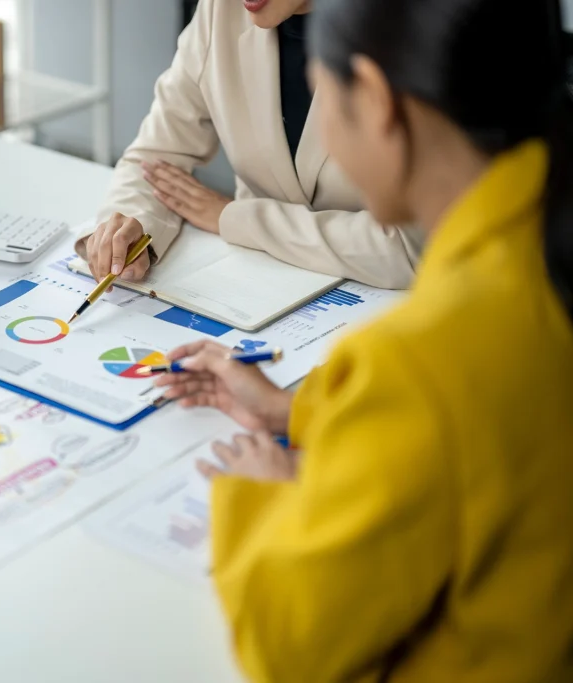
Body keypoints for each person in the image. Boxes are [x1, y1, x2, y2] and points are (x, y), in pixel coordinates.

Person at [156, 0, 573, 680]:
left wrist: (263, 493)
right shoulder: (536, 247)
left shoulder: (413, 360)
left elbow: (290, 644)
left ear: (375, 102)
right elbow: (475, 435)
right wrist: (299, 410)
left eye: (322, 93)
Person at [78, 0, 425, 289]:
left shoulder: (409, 27)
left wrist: (236, 219)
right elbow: (159, 155)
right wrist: (131, 229)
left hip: (380, 303)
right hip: (252, 283)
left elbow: (412, 247)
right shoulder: (221, 10)